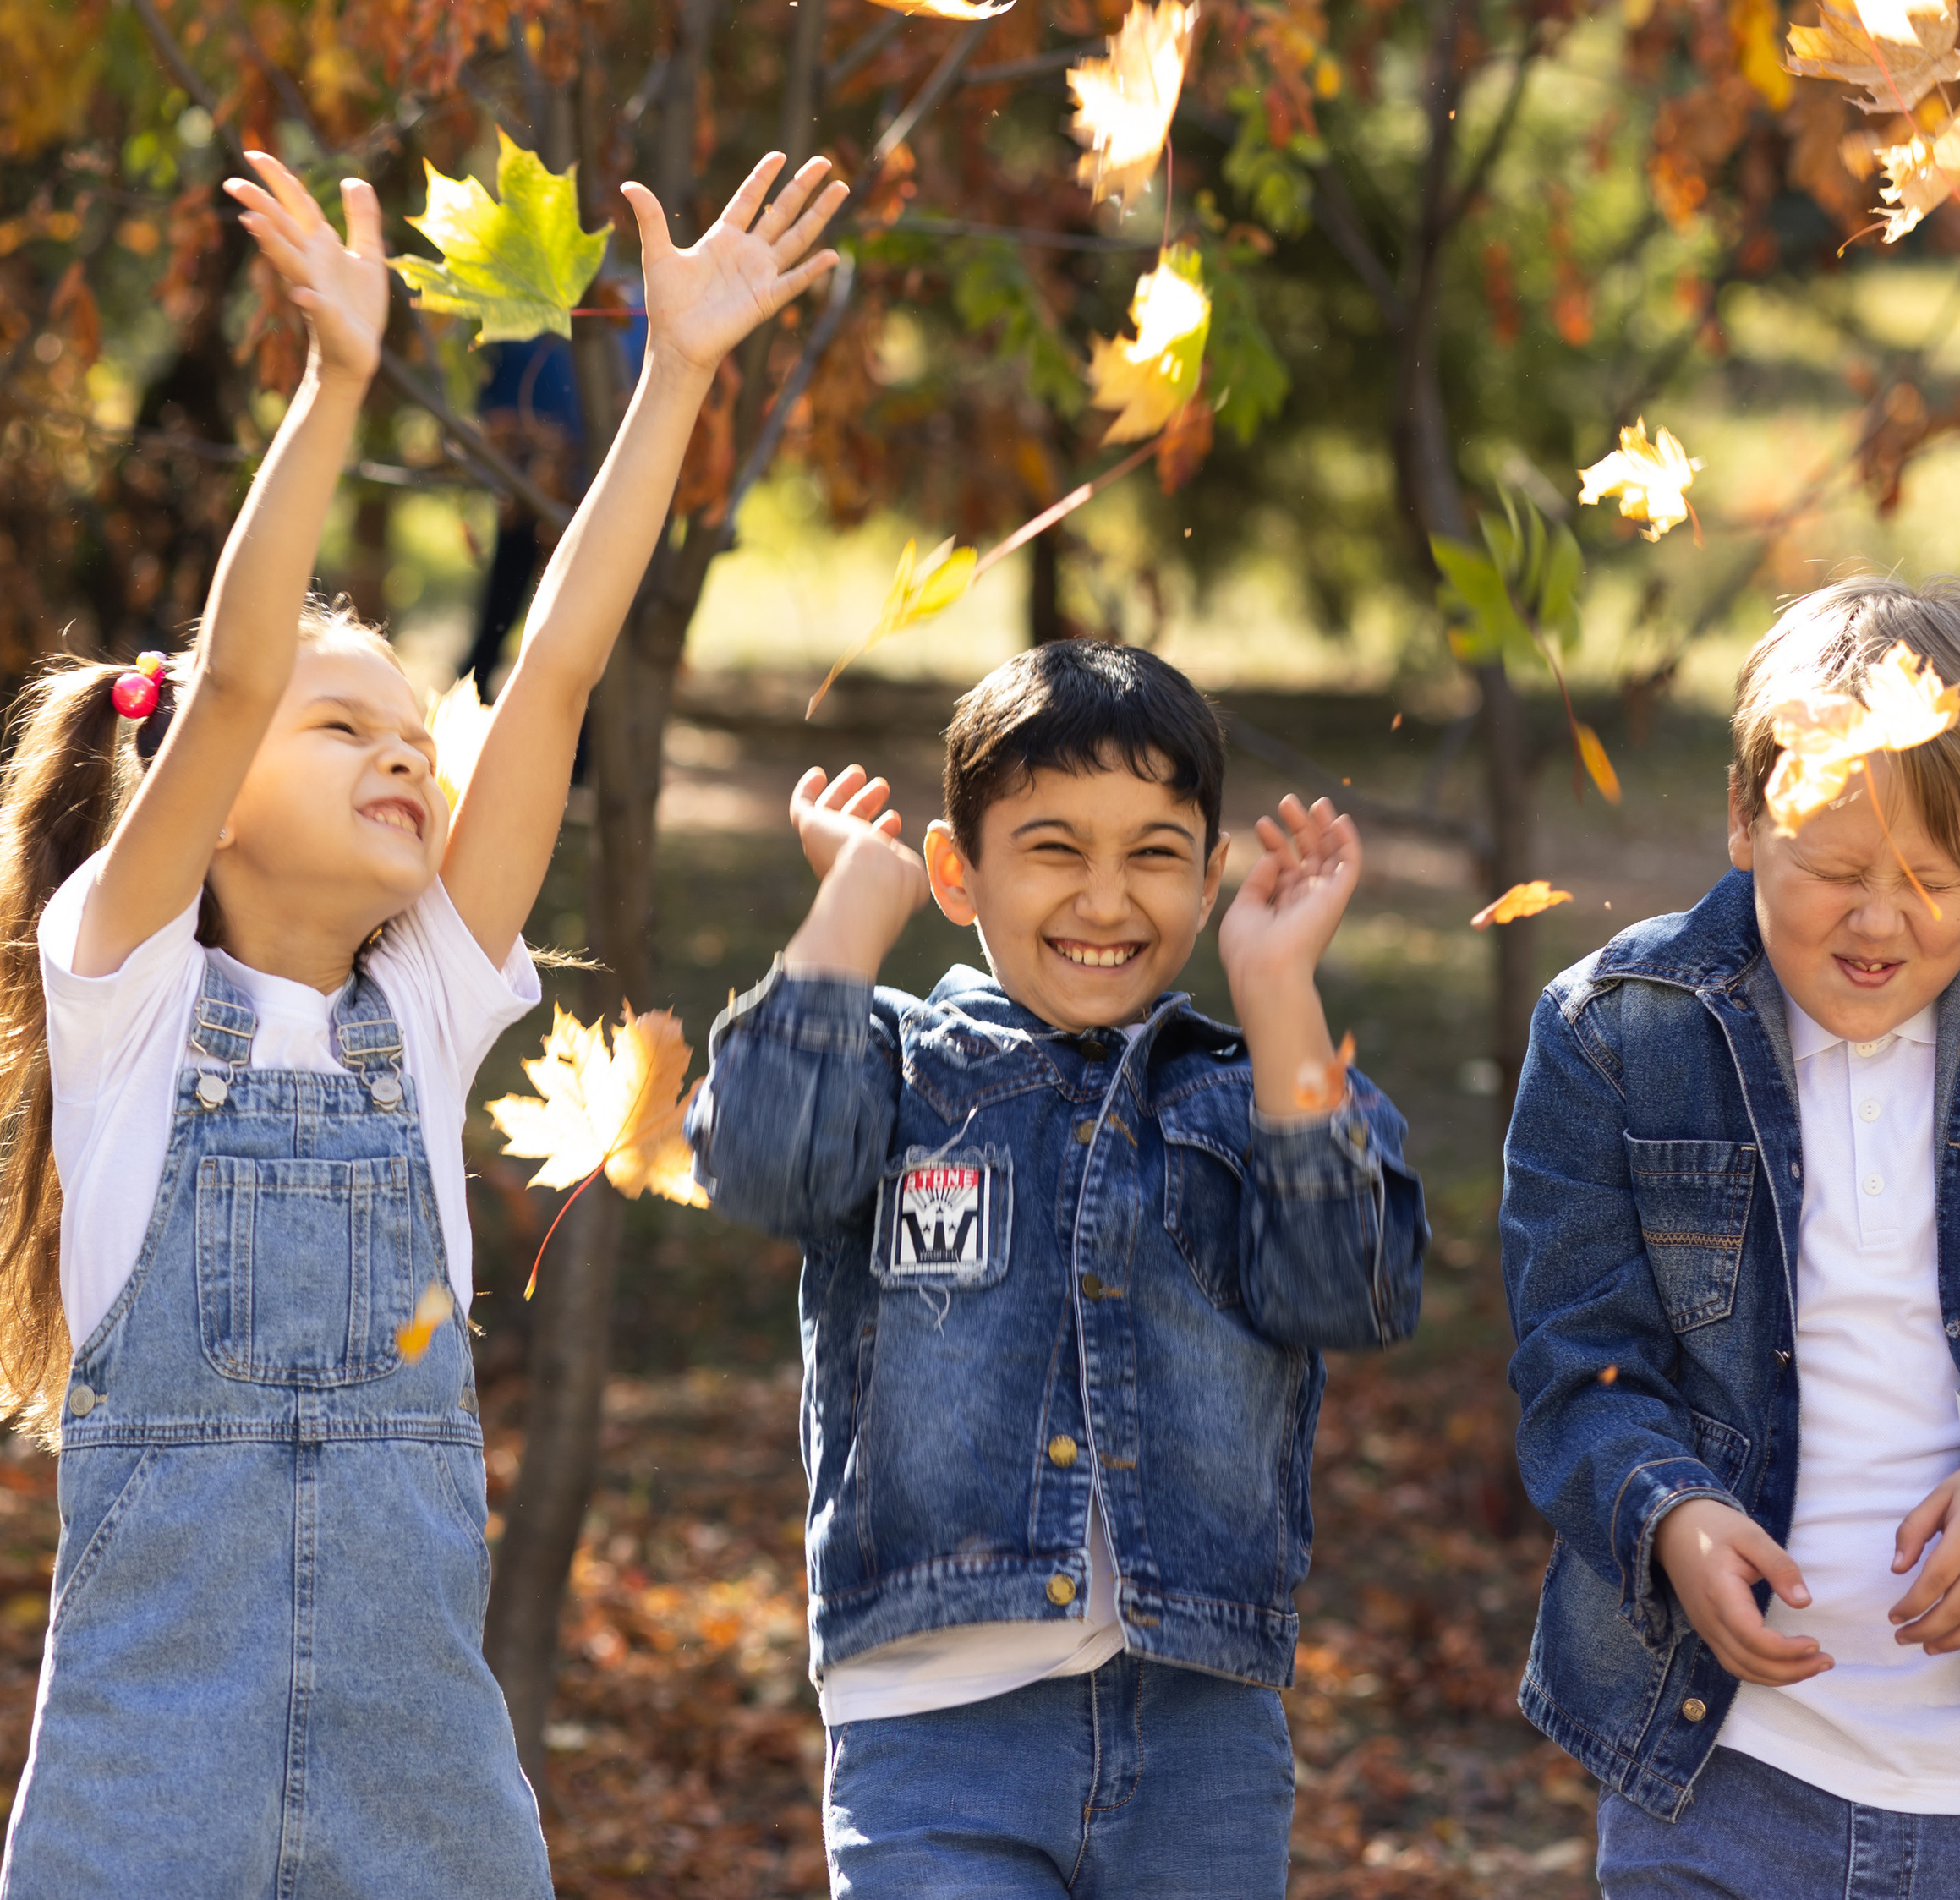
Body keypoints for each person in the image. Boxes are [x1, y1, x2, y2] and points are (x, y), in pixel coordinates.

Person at [0, 141, 847, 1899]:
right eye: (345, 730)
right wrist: (333, 385)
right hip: (151, 1789)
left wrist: (680, 372)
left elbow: (553, 670)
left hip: (424, 1794)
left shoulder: (429, 1004)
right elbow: (233, 676)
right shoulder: (126, 991)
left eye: (407, 731)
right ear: (209, 794)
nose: (402, 749)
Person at [684, 642, 1428, 1899]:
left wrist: (1276, 988)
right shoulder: (902, 1073)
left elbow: (1350, 1289)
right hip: (936, 1732)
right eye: (1053, 848)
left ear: (1208, 878)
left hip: (1201, 1729)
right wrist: (853, 909)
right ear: (957, 871)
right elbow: (759, 1162)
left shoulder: (1249, 1097)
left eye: (1152, 852)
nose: (1105, 897)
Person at [1502, 574, 1960, 1897]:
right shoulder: (1617, 1034)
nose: (1882, 919)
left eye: (1936, 876)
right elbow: (1578, 1372)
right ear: (1748, 817)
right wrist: (1670, 1516)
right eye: (1838, 870)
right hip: (1715, 1778)